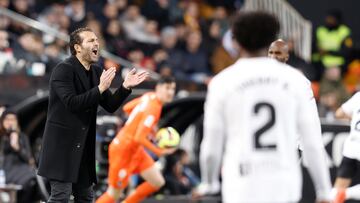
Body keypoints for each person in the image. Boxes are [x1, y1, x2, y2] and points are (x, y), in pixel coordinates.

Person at [197, 11, 332, 203]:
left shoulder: (222, 82)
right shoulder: (297, 81)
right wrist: (324, 191)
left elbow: (211, 145)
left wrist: (209, 183)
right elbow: (313, 142)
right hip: (283, 181)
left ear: (235, 41)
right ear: (271, 39)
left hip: (240, 182)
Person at [37, 27, 148, 203]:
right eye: (90, 40)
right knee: (60, 197)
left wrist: (125, 87)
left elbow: (110, 105)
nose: (96, 43)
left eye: (97, 40)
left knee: (86, 197)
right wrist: (100, 88)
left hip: (83, 148)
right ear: (77, 47)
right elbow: (72, 103)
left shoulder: (96, 72)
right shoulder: (63, 70)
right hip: (62, 147)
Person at [96, 76, 177, 203]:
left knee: (157, 181)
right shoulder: (154, 108)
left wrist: (139, 123)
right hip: (122, 150)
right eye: (167, 88)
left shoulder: (149, 96)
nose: (171, 92)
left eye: (173, 89)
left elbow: (126, 108)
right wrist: (159, 152)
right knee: (114, 194)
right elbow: (139, 137)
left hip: (135, 150)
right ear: (158, 88)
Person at [0, 110, 38, 202]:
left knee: (35, 180)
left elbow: (29, 159)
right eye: (7, 119)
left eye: (13, 119)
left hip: (23, 170)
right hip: (8, 171)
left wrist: (17, 147)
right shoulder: (1, 137)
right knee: (30, 179)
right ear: (2, 122)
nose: (10, 122)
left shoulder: (22, 137)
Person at [331, 93, 360, 203]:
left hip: (351, 147)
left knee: (339, 187)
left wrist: (354, 118)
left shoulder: (359, 96)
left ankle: (338, 194)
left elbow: (338, 113)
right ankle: (347, 193)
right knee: (342, 192)